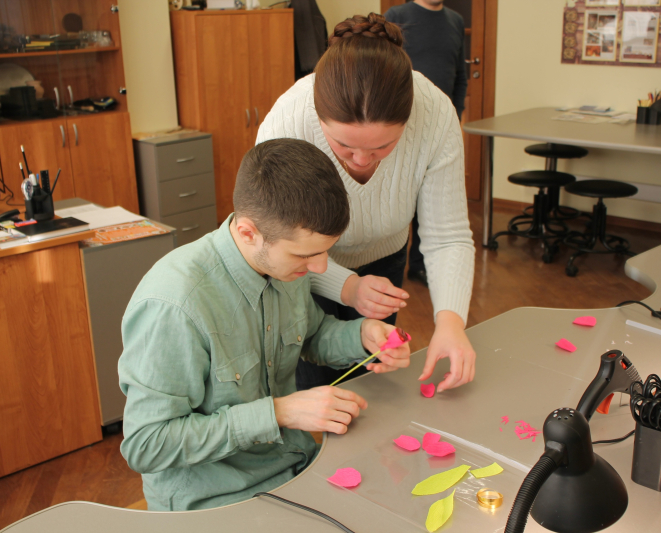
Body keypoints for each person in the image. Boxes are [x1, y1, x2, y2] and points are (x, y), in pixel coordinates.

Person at [118, 138, 412, 511]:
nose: (322, 269)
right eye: (306, 255)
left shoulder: (285, 263)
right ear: (247, 233)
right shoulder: (174, 305)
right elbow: (146, 445)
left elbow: (313, 333)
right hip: (214, 501)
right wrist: (280, 412)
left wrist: (363, 335)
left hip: (294, 467)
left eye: (326, 250)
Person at [257, 13, 476, 394]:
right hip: (300, 270)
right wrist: (347, 286)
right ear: (318, 117)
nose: (361, 160)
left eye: (382, 148)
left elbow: (448, 236)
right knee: (314, 389)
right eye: (344, 146)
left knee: (372, 386)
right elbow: (275, 245)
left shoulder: (435, 114)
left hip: (384, 260)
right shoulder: (288, 122)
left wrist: (451, 323)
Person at [386, 0, 468, 286]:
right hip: (400, 122)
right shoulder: (397, 16)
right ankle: (390, 260)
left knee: (432, 199)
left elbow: (460, 78)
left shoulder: (455, 21)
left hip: (440, 126)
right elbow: (386, 67)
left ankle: (421, 265)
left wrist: (454, 119)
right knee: (401, 195)